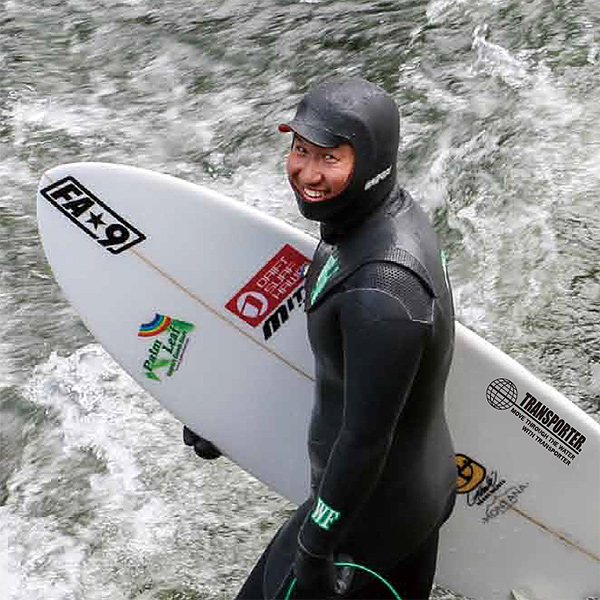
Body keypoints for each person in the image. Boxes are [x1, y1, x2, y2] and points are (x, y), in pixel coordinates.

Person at [184, 76, 457, 600]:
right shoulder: (365, 227)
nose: (307, 173)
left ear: (373, 162)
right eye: (300, 150)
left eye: (330, 159)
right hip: (398, 496)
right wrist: (221, 416)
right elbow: (333, 371)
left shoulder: (384, 293)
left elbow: (363, 439)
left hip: (368, 524)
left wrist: (315, 546)